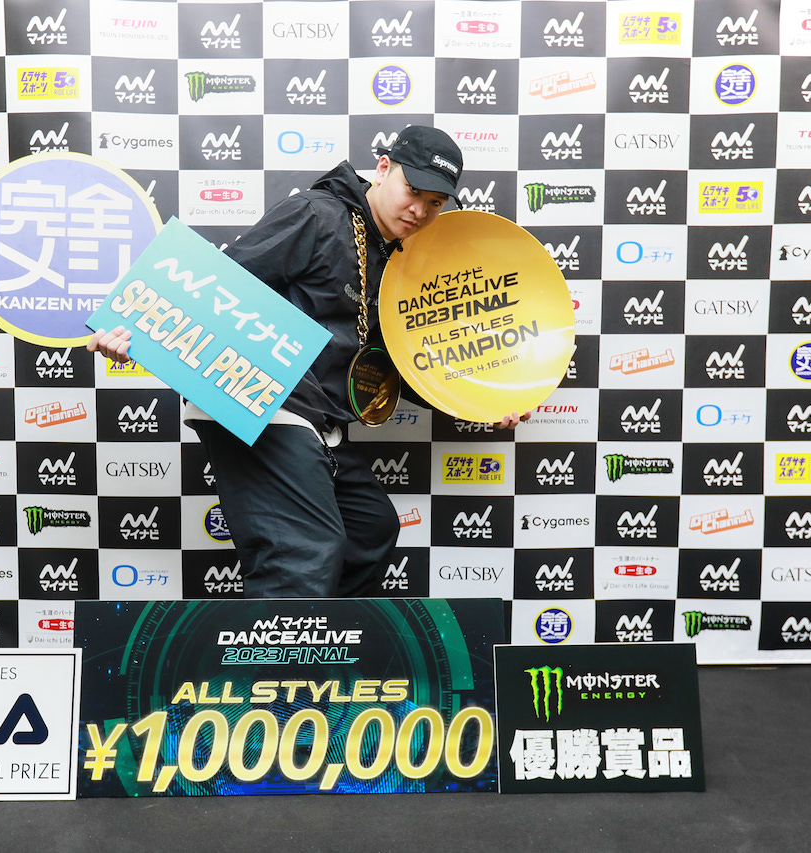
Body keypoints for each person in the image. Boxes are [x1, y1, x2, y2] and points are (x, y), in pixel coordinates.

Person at [89, 126, 525, 598]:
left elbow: (402, 366)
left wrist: (479, 402)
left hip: (318, 418)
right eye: (413, 191)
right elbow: (213, 288)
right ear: (383, 169)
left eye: (435, 202)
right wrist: (133, 333)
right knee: (303, 553)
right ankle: (283, 641)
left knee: (369, 530)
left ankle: (321, 637)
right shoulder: (318, 215)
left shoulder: (400, 258)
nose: (419, 210)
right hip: (261, 400)